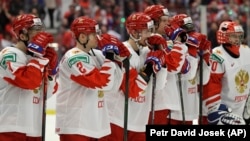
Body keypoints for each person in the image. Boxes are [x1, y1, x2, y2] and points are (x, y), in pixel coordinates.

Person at [55, 16, 130, 141]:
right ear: (82, 37)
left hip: (96, 124)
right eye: (94, 34)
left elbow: (114, 86)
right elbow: (103, 83)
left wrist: (120, 57)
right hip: (75, 126)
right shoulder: (73, 58)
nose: (98, 37)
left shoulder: (98, 55)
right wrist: (110, 56)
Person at [105, 12, 168, 141]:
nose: (150, 35)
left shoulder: (148, 51)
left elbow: (159, 86)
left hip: (140, 121)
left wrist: (162, 57)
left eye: (151, 31)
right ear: (134, 33)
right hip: (117, 120)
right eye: (146, 32)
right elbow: (131, 90)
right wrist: (150, 67)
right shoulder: (121, 52)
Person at [0, 14, 58, 141]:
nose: (41, 36)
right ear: (22, 35)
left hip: (34, 128)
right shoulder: (9, 55)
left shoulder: (34, 58)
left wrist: (51, 73)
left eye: (41, 31)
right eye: (35, 31)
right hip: (11, 128)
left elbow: (47, 94)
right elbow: (28, 82)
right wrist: (38, 57)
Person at [144, 4, 191, 124]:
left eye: (168, 20)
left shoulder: (165, 40)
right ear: (153, 22)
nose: (167, 24)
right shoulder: (154, 40)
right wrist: (179, 43)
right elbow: (173, 67)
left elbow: (183, 68)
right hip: (157, 100)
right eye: (164, 20)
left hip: (164, 98)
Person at [164, 14, 211, 125]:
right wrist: (192, 52)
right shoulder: (170, 47)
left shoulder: (197, 45)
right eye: (185, 31)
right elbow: (187, 74)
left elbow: (202, 80)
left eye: (190, 30)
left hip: (190, 107)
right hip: (173, 108)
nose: (189, 35)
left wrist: (206, 58)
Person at [202, 20, 247, 125]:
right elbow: (211, 87)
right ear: (223, 36)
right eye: (233, 36)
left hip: (241, 108)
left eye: (239, 35)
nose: (237, 39)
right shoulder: (217, 56)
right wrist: (216, 112)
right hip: (224, 110)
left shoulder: (246, 51)